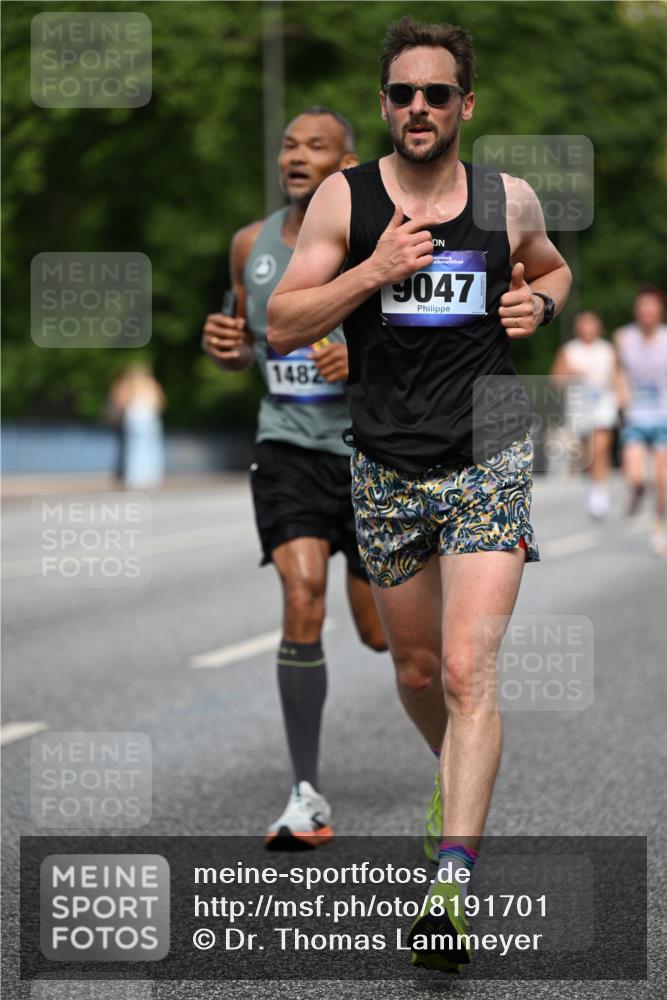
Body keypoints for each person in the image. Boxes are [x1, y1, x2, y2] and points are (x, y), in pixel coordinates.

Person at [268, 17, 571, 971]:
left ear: (464, 105)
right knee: (414, 671)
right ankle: (457, 775)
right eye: (402, 93)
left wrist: (538, 303)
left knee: (467, 673)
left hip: (485, 452)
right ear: (384, 104)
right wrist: (374, 270)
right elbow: (282, 323)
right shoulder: (345, 200)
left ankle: (449, 890)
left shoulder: (505, 199)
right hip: (384, 462)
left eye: (436, 93)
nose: (418, 108)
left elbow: (552, 265)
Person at [201, 108, 387, 850]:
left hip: (372, 453)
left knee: (384, 639)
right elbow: (249, 338)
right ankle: (305, 793)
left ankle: (454, 717)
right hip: (287, 449)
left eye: (315, 145)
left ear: (347, 164)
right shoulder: (250, 244)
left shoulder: (378, 241)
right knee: (302, 593)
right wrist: (227, 350)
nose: (296, 155)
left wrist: (362, 361)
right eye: (288, 144)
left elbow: (426, 350)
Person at [550, 311, 619, 518]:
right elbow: (555, 381)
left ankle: (599, 490)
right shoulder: (569, 350)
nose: (587, 329)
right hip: (579, 407)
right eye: (583, 324)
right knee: (588, 455)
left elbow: (617, 376)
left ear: (599, 327)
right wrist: (569, 374)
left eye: (591, 324)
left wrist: (622, 394)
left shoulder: (607, 350)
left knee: (600, 447)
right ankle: (594, 484)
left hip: (603, 403)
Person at [614, 287, 667, 556]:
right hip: (635, 416)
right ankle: (637, 492)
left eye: (651, 306)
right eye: (642, 305)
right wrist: (620, 393)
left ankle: (659, 528)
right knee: (636, 477)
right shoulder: (624, 337)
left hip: (663, 416)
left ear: (660, 310)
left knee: (662, 480)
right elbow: (618, 371)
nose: (647, 311)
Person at [108, 362, 166, 489]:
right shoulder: (151, 384)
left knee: (134, 449)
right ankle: (152, 477)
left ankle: (135, 478)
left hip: (134, 416)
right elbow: (161, 401)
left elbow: (120, 401)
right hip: (150, 416)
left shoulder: (129, 384)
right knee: (152, 448)